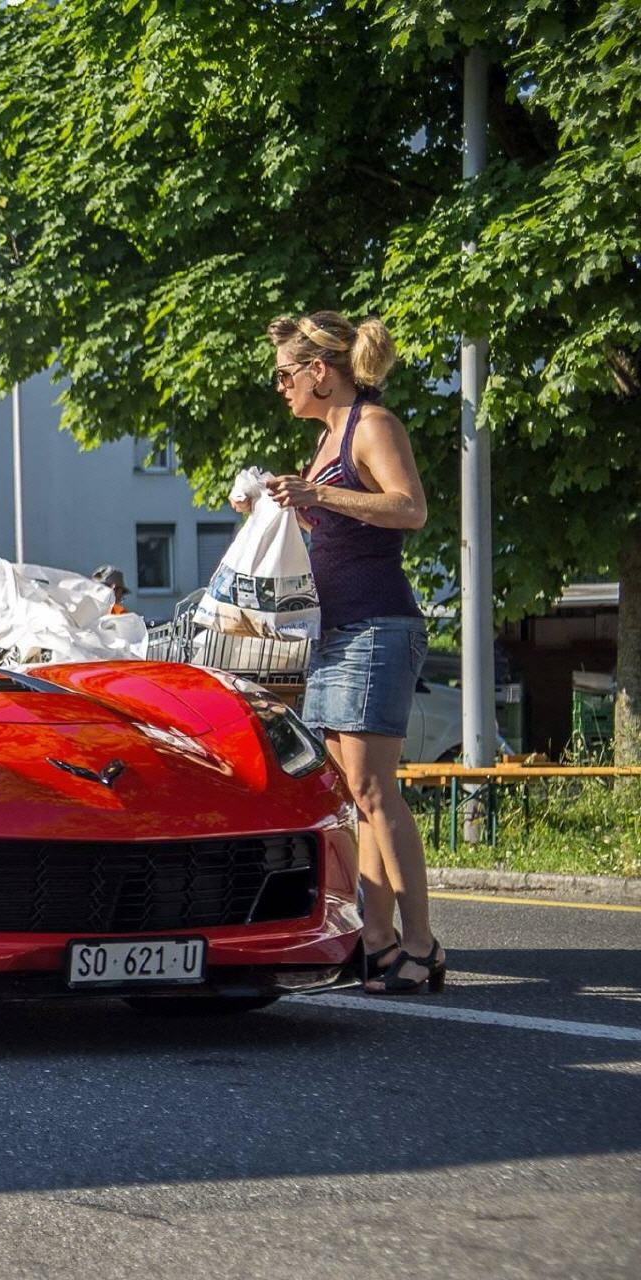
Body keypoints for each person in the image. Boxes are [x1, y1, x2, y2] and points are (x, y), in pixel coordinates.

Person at [239, 310, 441, 994]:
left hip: (376, 627)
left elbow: (408, 508)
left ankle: (422, 945)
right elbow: (336, 525)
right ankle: (377, 940)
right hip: (338, 632)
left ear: (319, 372)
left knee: (376, 791)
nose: (280, 388)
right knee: (353, 795)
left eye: (284, 375)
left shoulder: (372, 425)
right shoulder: (328, 438)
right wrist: (282, 510)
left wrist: (317, 493)